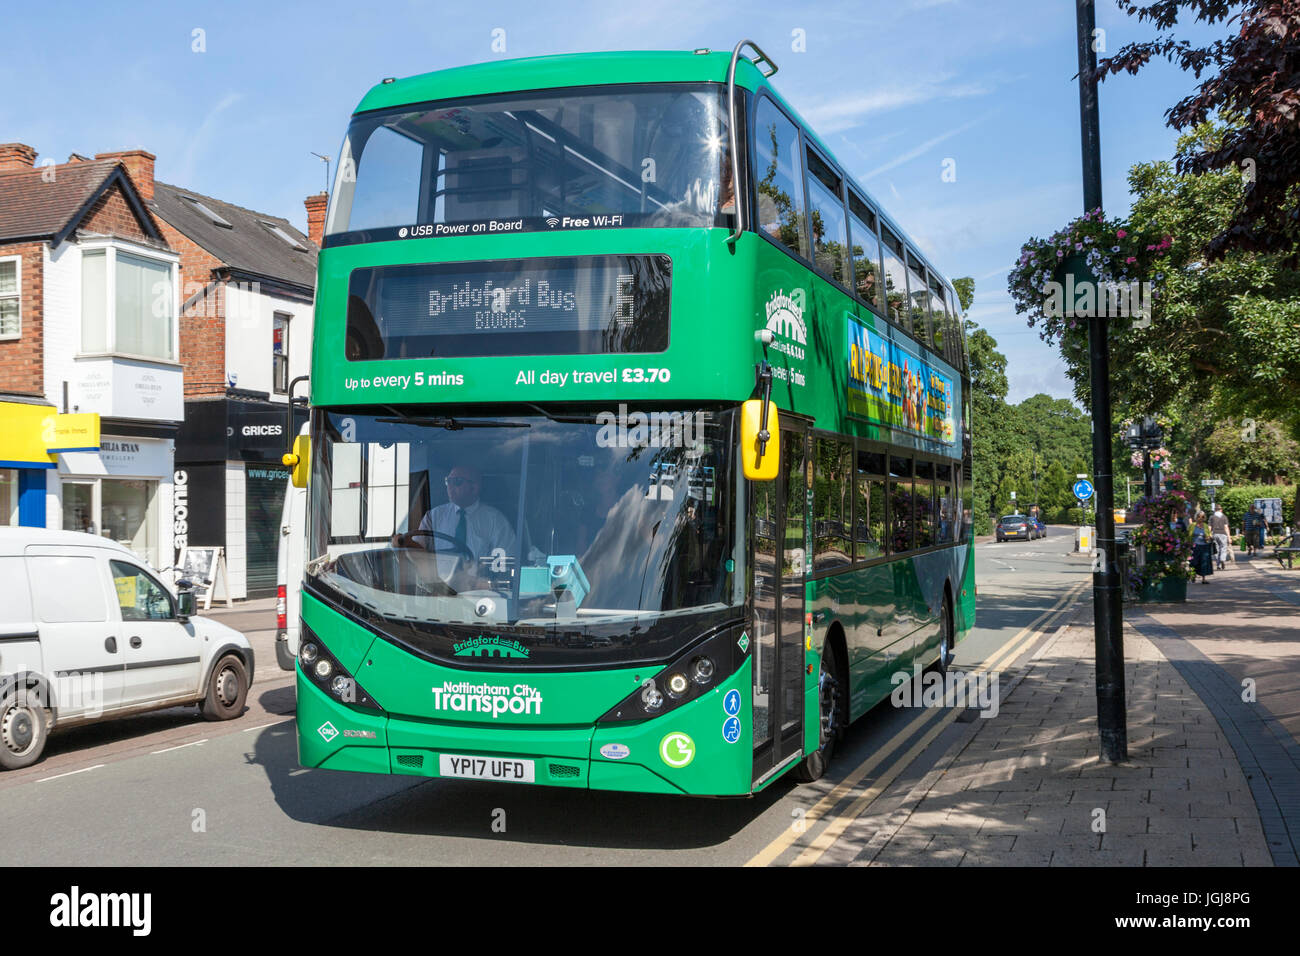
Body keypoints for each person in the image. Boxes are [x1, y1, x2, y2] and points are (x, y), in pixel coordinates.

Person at [393, 464, 516, 580]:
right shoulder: (433, 516)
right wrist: (404, 544)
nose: (450, 486)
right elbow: (418, 555)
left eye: (457, 481)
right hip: (439, 590)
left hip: (478, 591)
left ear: (474, 488)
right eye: (448, 481)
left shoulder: (496, 520)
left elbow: (507, 560)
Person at [1190, 513, 1214, 583]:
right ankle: (1193, 575)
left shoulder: (1206, 526)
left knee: (1204, 562)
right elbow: (1188, 535)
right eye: (1199, 516)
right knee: (1194, 562)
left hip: (1204, 546)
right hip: (1195, 546)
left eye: (1202, 517)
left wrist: (1209, 537)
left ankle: (1203, 579)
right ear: (1196, 517)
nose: (1200, 518)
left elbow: (1209, 535)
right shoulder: (1192, 525)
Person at [1209, 503, 1231, 570]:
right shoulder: (1224, 517)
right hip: (1223, 534)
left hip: (1215, 534)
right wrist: (1229, 537)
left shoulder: (1212, 517)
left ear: (1215, 510)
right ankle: (1222, 559)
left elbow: (1209, 527)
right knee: (1223, 548)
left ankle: (1218, 565)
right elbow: (1226, 527)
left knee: (1216, 549)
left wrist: (1209, 535)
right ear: (1221, 510)